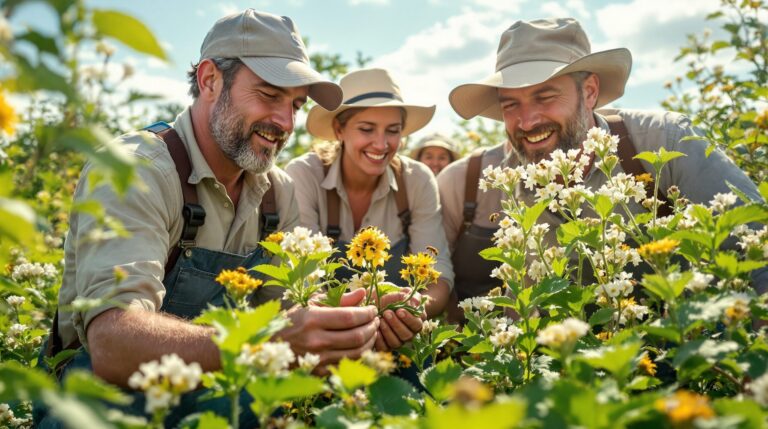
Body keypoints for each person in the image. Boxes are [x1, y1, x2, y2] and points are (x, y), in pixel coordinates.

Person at [39, 10, 381, 427]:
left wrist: (355, 321)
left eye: (295, 104)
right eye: (269, 95)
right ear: (209, 80)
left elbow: (291, 316)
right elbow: (112, 342)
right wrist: (262, 342)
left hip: (220, 404)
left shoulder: (278, 193)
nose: (285, 122)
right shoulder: (136, 171)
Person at [439, 17, 767, 311]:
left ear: (591, 92)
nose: (527, 121)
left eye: (545, 97)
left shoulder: (662, 141)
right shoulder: (494, 182)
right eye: (511, 104)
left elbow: (760, 253)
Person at [285, 68, 453, 351]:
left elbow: (439, 276)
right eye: (366, 129)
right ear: (339, 130)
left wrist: (412, 310)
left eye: (393, 131)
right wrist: (366, 313)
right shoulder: (305, 175)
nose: (381, 144)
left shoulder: (416, 180)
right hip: (322, 340)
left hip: (397, 338)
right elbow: (303, 284)